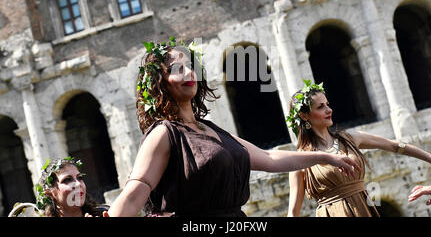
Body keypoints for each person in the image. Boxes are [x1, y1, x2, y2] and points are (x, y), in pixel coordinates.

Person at [103, 38, 360, 217]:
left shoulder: (211, 130)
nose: (188, 72)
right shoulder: (164, 133)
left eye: (190, 65)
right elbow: (137, 188)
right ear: (161, 84)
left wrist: (326, 157)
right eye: (176, 69)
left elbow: (269, 158)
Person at [287, 80, 431, 217]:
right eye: (321, 107)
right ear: (304, 115)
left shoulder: (350, 138)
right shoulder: (300, 159)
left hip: (364, 209)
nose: (329, 110)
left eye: (327, 104)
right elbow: (293, 213)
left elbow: (394, 145)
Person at [35, 157, 107, 217]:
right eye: (67, 180)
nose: (78, 184)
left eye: (80, 178)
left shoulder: (104, 213)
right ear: (50, 193)